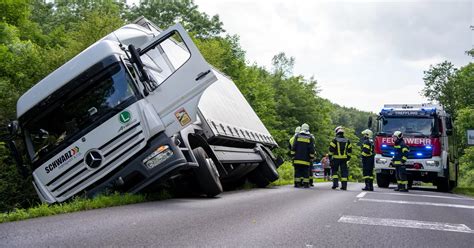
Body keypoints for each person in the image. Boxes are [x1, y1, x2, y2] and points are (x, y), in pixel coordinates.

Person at [291, 123, 315, 188]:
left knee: (297, 172)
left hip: (297, 159)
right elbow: (311, 149)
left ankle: (297, 184)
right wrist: (311, 157)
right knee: (305, 172)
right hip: (306, 160)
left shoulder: (297, 136)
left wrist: (293, 156)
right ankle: (306, 184)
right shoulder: (310, 137)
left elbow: (294, 146)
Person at [328, 126, 352, 190]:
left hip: (335, 159)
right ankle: (344, 186)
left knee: (334, 171)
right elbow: (349, 151)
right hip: (344, 159)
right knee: (344, 172)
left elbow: (331, 150)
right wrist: (348, 158)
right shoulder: (347, 141)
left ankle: (335, 184)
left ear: (337, 133)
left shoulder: (334, 140)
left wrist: (330, 158)